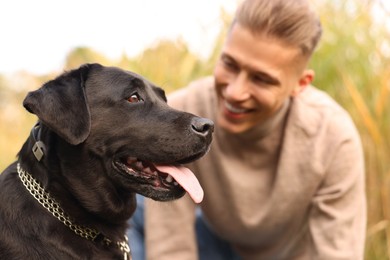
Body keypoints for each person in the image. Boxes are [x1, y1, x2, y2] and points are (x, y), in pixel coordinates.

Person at [127, 0, 367, 259]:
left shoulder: (332, 138)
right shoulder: (184, 113)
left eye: (261, 79)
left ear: (300, 84)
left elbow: (337, 253)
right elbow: (171, 249)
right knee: (131, 205)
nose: (234, 92)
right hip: (213, 245)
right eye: (230, 64)